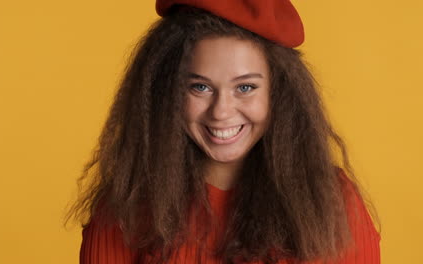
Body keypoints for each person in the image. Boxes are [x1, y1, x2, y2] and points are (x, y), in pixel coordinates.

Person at [67, 0, 381, 263]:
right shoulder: (127, 206)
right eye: (200, 87)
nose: (221, 111)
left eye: (245, 87)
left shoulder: (332, 203)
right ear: (167, 91)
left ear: (280, 93)